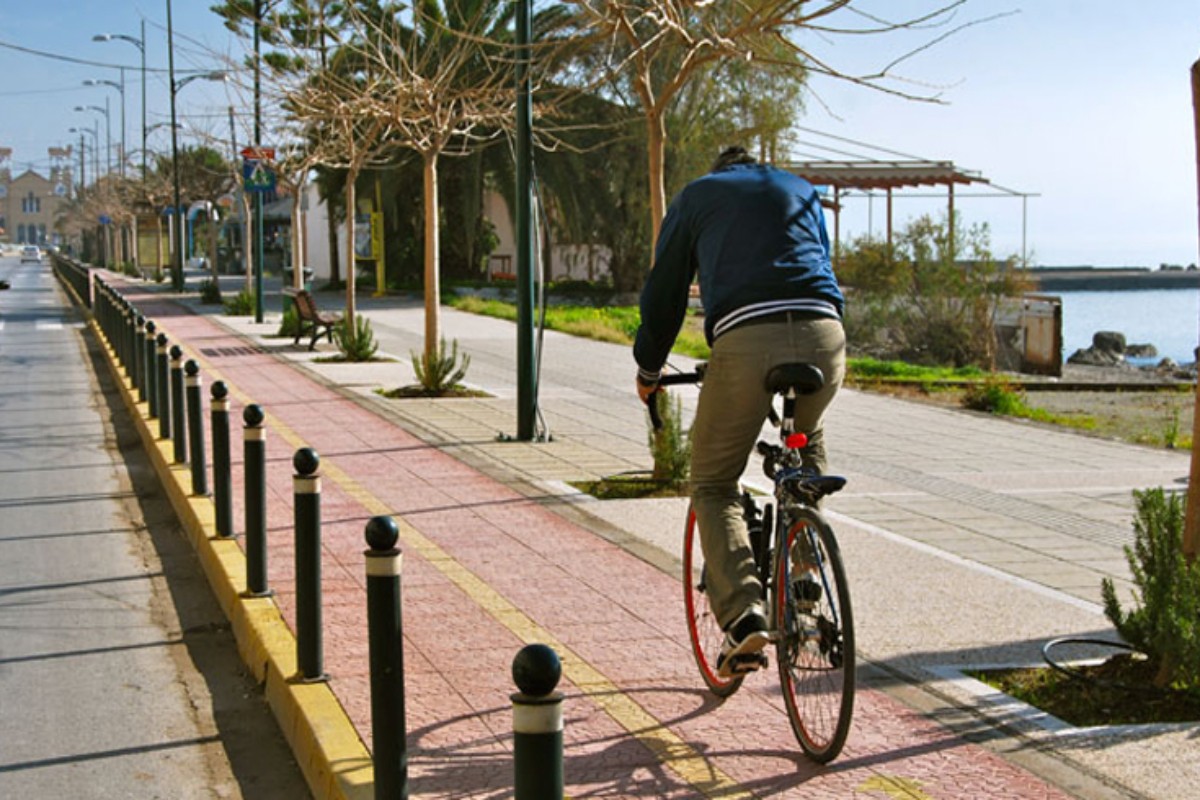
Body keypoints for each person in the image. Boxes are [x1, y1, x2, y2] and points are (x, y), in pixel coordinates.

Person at [634, 146, 846, 677]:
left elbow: (666, 293)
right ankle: (805, 568)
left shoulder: (698, 196)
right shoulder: (799, 187)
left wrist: (650, 368)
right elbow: (818, 261)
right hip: (827, 334)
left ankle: (744, 618)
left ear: (719, 170)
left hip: (747, 338)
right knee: (805, 440)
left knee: (713, 482)